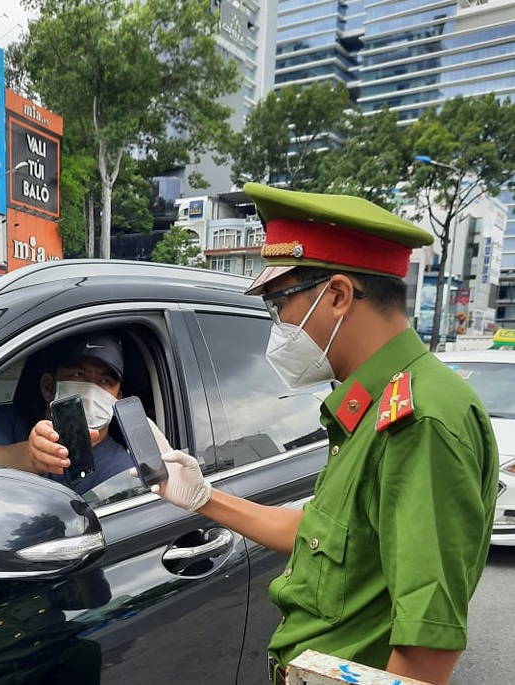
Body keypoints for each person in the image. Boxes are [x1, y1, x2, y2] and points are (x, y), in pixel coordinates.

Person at [32, 185, 499, 685]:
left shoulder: (419, 419)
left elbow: (426, 648)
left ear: (337, 295)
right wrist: (203, 498)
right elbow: (320, 536)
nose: (277, 326)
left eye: (280, 304)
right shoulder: (372, 405)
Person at [0, 332, 170, 496]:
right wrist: (31, 457)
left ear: (118, 397)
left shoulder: (126, 471)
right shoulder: (7, 419)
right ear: (48, 386)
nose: (91, 389)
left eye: (105, 381)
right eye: (78, 374)